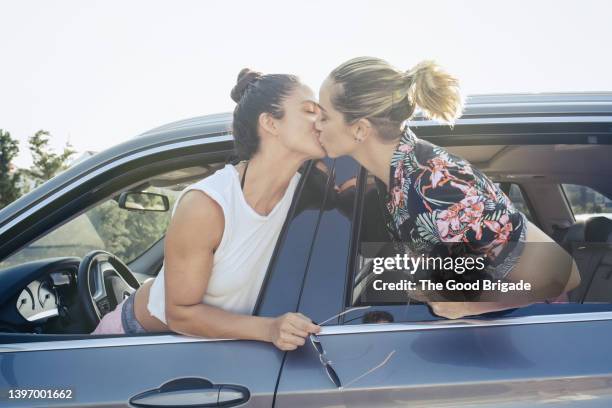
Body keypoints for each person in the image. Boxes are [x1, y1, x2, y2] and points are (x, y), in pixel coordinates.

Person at [314, 56, 581, 319]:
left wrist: (468, 307)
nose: (316, 125)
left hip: (536, 334)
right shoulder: (398, 178)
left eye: (324, 117)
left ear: (360, 128)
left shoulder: (439, 186)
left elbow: (564, 275)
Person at [91, 68, 323, 350]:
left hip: (207, 349)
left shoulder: (308, 194)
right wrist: (270, 328)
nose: (320, 120)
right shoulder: (207, 204)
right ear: (271, 124)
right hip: (135, 340)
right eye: (310, 110)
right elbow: (180, 314)